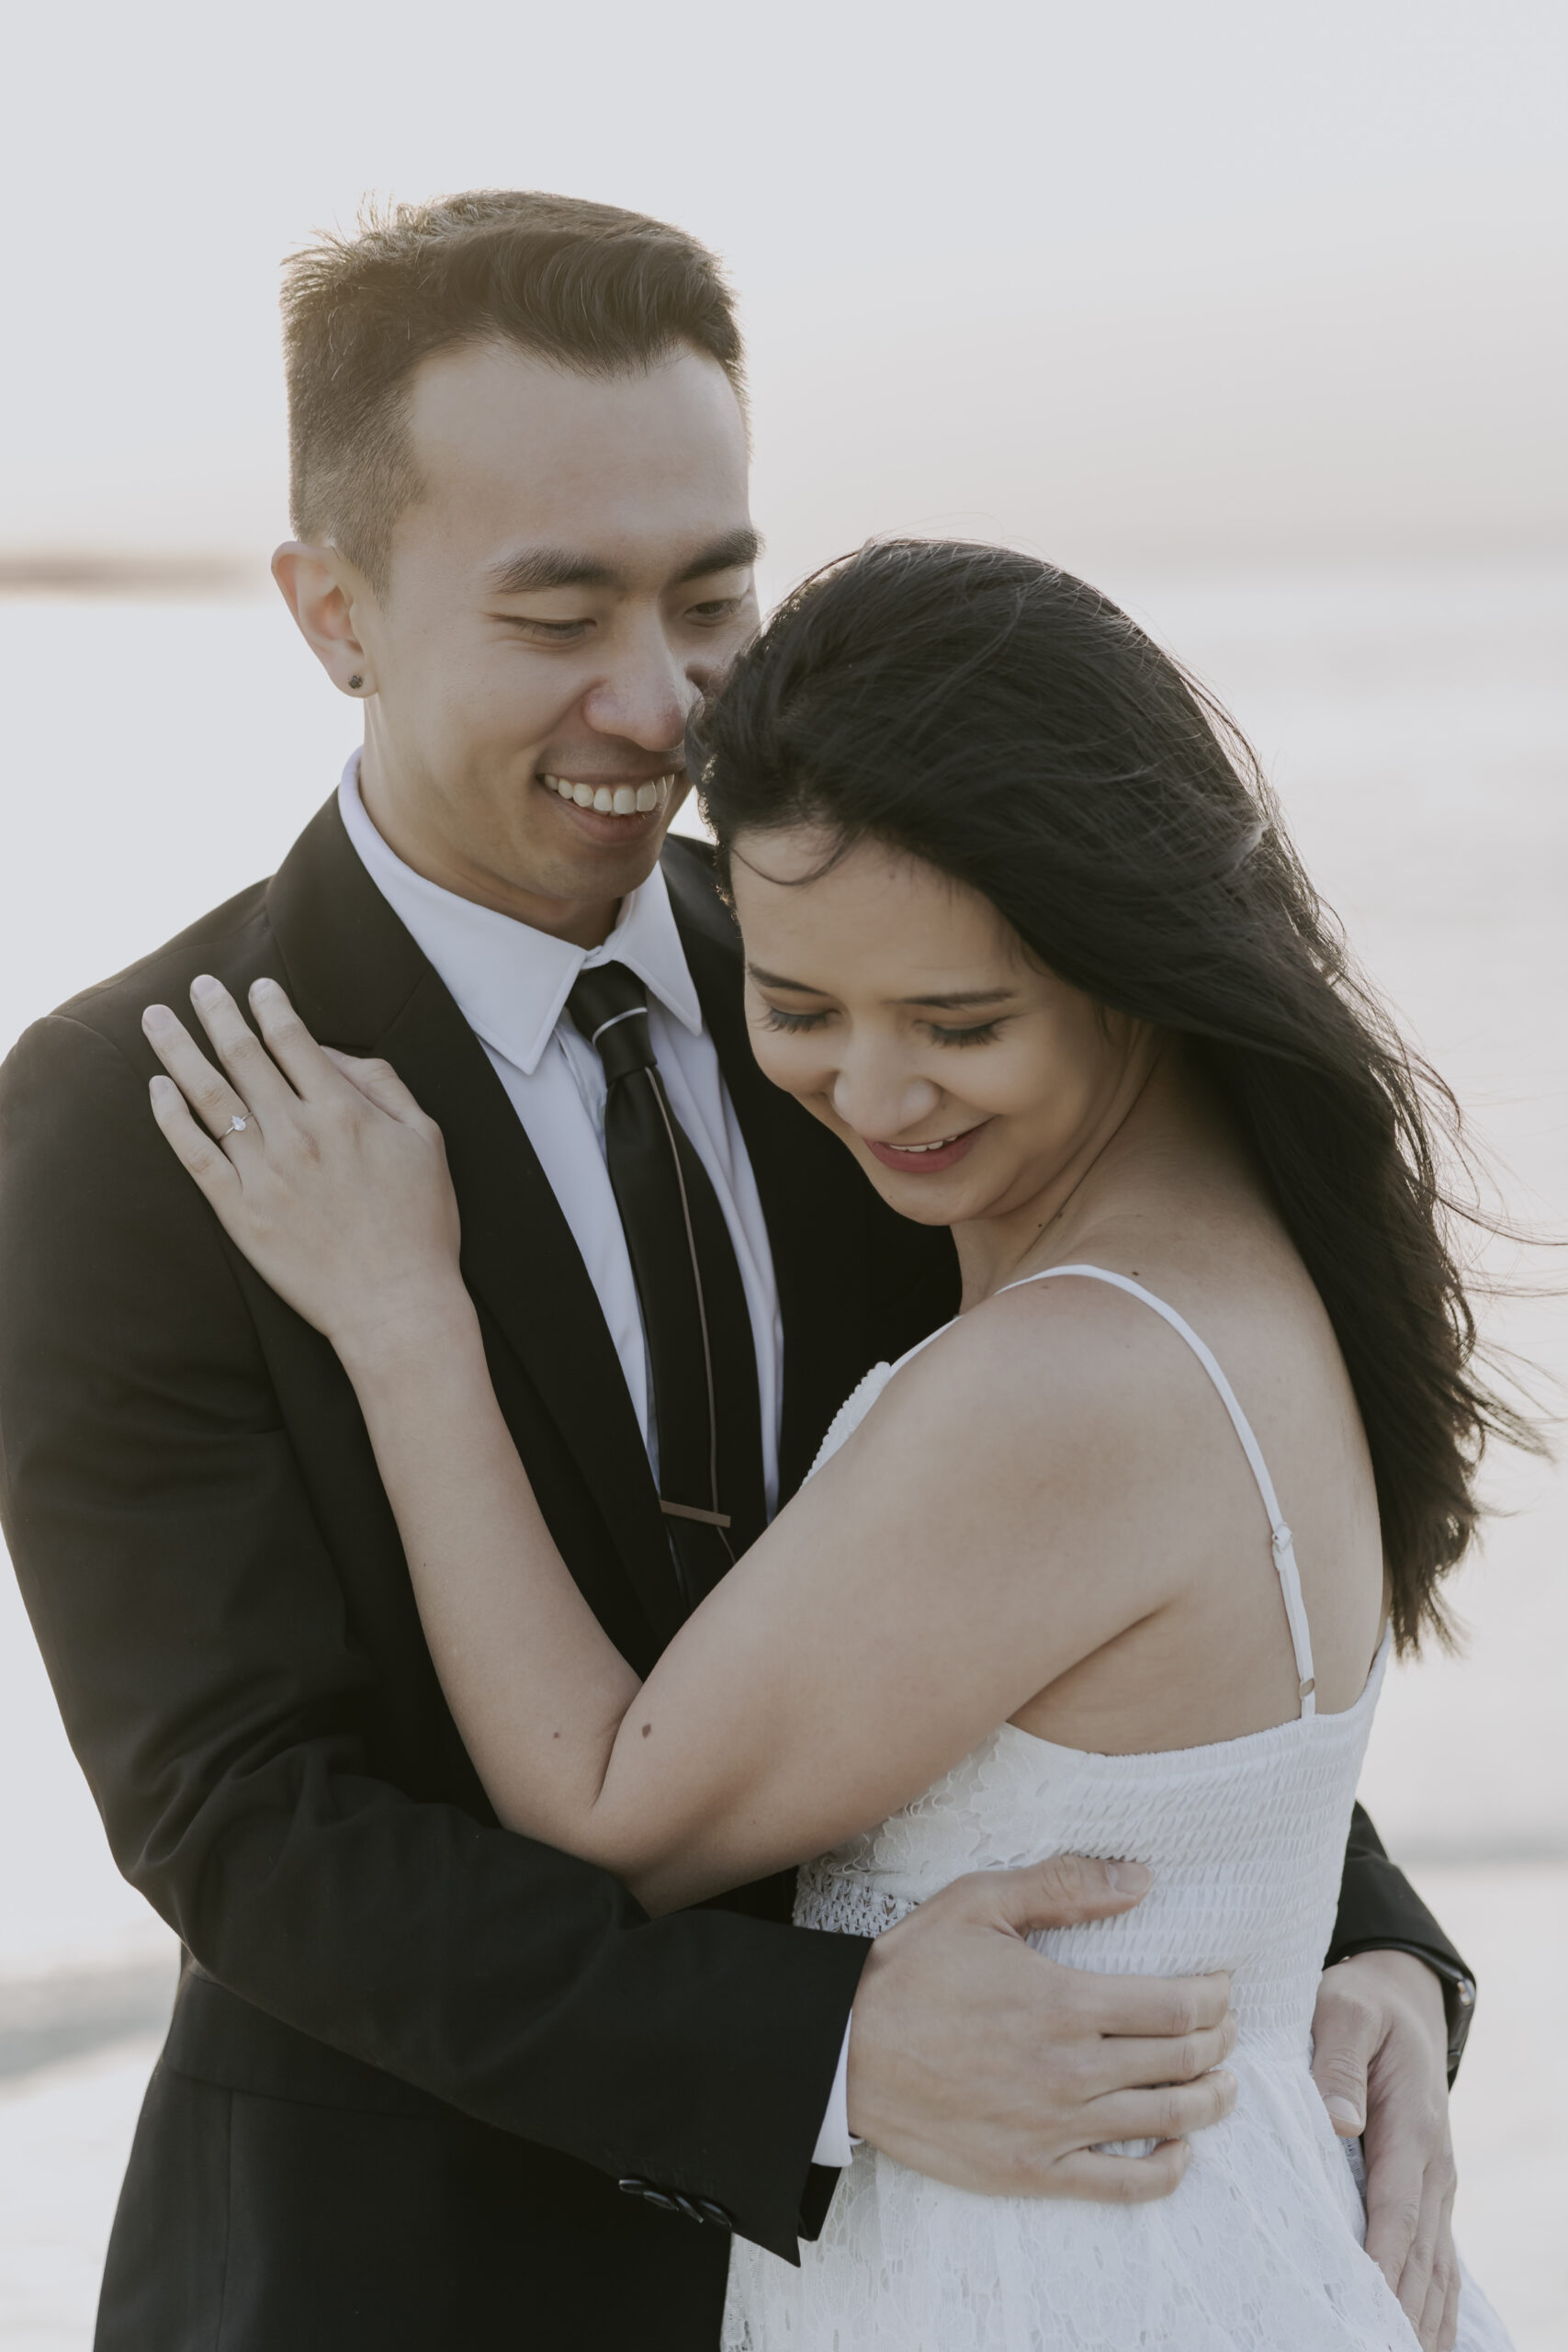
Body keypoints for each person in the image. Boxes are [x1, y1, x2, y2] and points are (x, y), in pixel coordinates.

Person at [0, 197, 1467, 2352]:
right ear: (335, 609)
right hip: (407, 2276)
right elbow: (244, 1815)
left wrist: (1354, 1953)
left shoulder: (870, 993)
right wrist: (823, 2050)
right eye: (556, 607)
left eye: (707, 595)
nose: (655, 693)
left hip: (982, 2254)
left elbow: (1074, 1545)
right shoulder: (132, 1108)